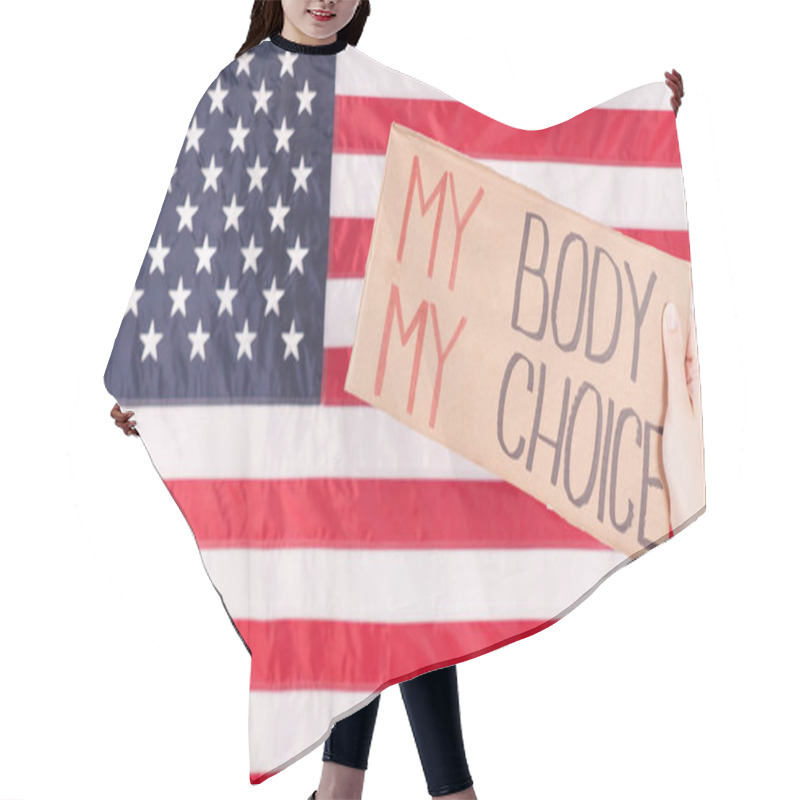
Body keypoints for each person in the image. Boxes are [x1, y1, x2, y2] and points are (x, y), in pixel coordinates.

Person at [110, 2, 687, 798]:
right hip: (296, 411)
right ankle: (429, 790)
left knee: (404, 580)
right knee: (370, 591)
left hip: (385, 389)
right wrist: (154, 371)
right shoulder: (236, 92)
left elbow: (493, 179)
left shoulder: (379, 90)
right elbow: (197, 258)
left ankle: (351, 788)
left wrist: (634, 128)